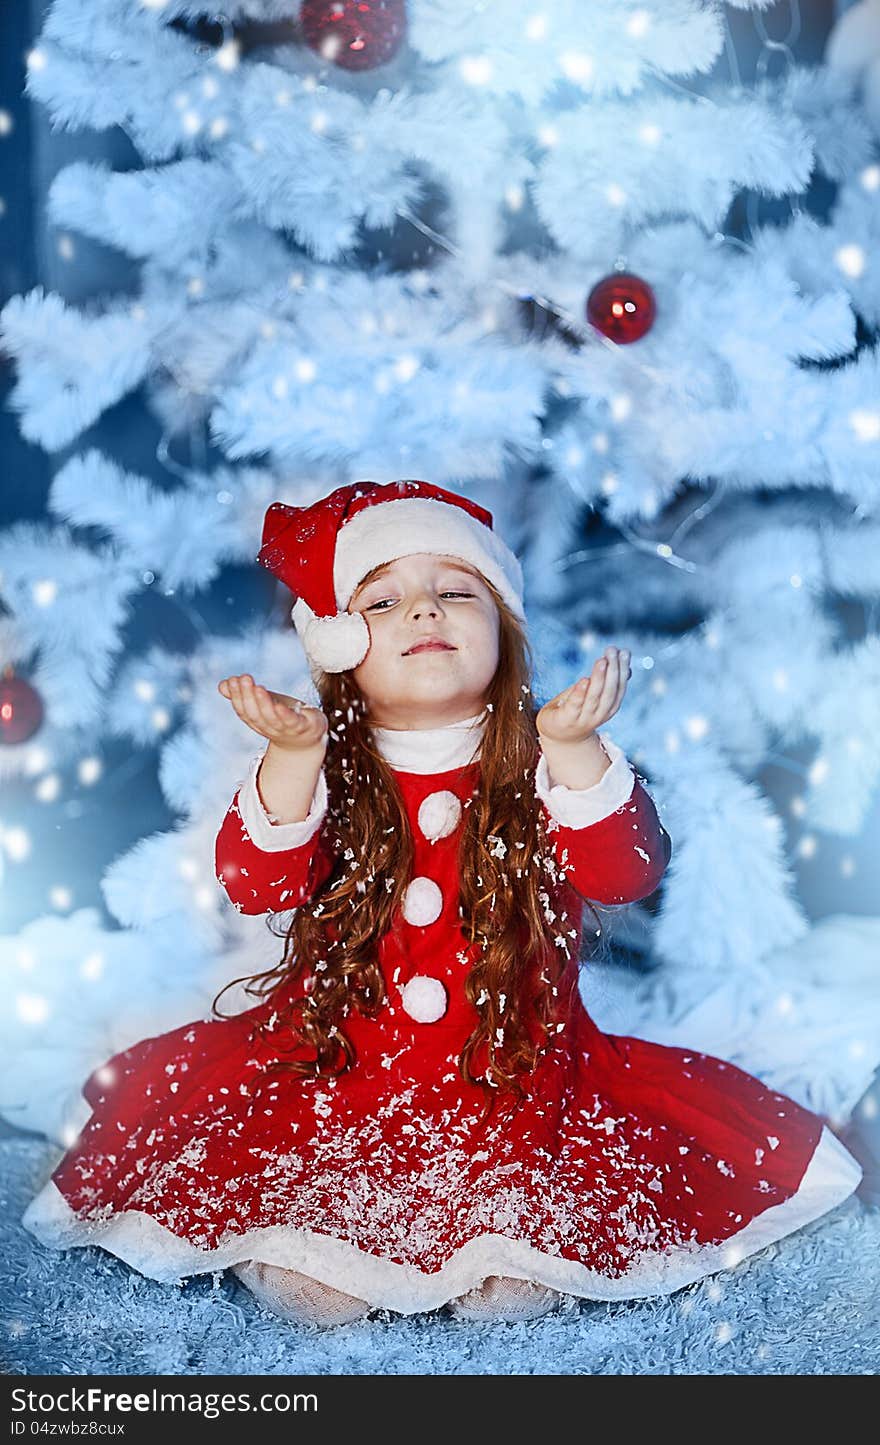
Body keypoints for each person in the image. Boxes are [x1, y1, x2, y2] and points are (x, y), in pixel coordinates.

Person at [21, 479, 863, 1329]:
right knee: (320, 1283)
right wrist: (290, 756)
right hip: (338, 1072)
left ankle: (498, 1242)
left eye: (458, 591)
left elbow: (627, 873)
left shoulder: (544, 752)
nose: (426, 611)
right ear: (342, 645)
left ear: (505, 632)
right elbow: (253, 883)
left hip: (520, 1082)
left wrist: (575, 753)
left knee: (520, 1276)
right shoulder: (325, 759)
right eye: (384, 600)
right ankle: (318, 1240)